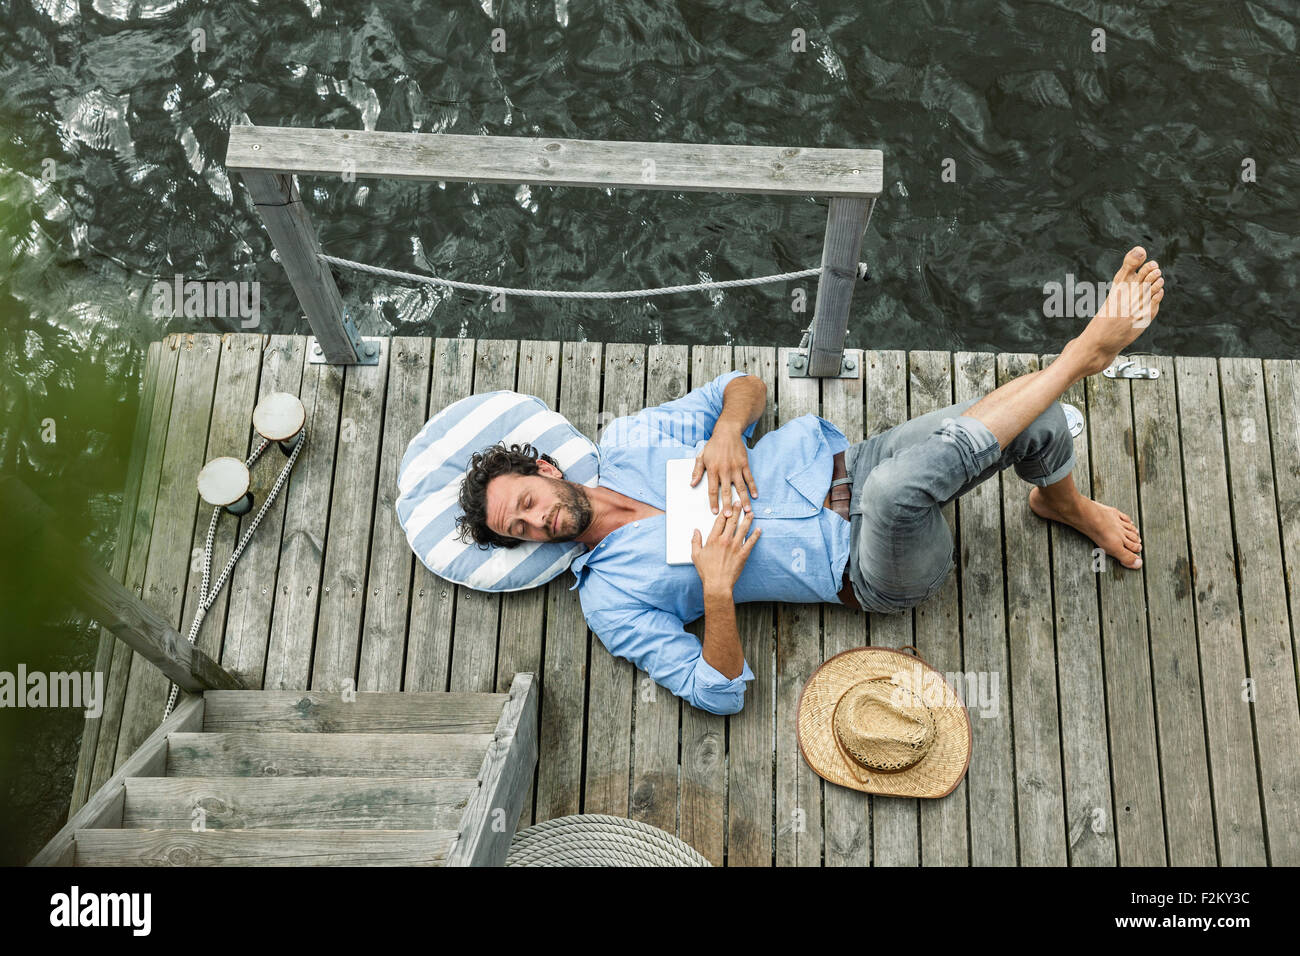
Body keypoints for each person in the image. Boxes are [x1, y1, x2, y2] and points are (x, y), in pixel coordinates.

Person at [455, 246, 1164, 715]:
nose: (536, 522)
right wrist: (717, 590)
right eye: (519, 531)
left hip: (855, 462)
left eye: (526, 503)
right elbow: (719, 691)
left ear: (545, 471)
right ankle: (1077, 356)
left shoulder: (629, 440)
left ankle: (1057, 499)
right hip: (867, 567)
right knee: (909, 485)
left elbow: (743, 385)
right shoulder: (609, 602)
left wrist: (730, 430)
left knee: (1033, 424)